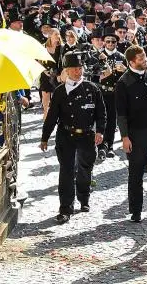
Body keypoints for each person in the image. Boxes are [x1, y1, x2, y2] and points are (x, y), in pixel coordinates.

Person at [40, 52, 107, 224]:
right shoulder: (60, 92)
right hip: (66, 135)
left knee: (85, 168)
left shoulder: (92, 89)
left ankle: (84, 198)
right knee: (67, 172)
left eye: (80, 68)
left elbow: (101, 113)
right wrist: (45, 137)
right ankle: (65, 208)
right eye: (74, 69)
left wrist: (100, 131)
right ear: (67, 71)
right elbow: (52, 116)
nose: (78, 72)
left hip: (86, 135)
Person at [115, 45, 147, 222]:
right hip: (137, 133)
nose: (145, 60)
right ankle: (136, 210)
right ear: (131, 62)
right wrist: (125, 136)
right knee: (136, 173)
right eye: (141, 59)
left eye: (145, 57)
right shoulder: (124, 82)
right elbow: (121, 113)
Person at [97, 27, 127, 159]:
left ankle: (109, 145)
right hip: (101, 92)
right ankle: (101, 146)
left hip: (115, 92)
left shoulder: (121, 56)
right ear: (104, 42)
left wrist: (125, 70)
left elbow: (127, 77)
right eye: (108, 41)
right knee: (101, 119)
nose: (110, 44)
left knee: (112, 120)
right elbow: (94, 74)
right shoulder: (98, 55)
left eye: (113, 42)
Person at [39, 27, 64, 120]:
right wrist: (45, 71)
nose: (58, 36)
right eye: (55, 34)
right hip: (45, 74)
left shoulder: (61, 47)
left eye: (58, 34)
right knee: (45, 96)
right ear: (50, 36)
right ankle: (46, 113)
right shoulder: (43, 47)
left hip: (57, 75)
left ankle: (57, 114)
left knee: (57, 96)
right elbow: (38, 61)